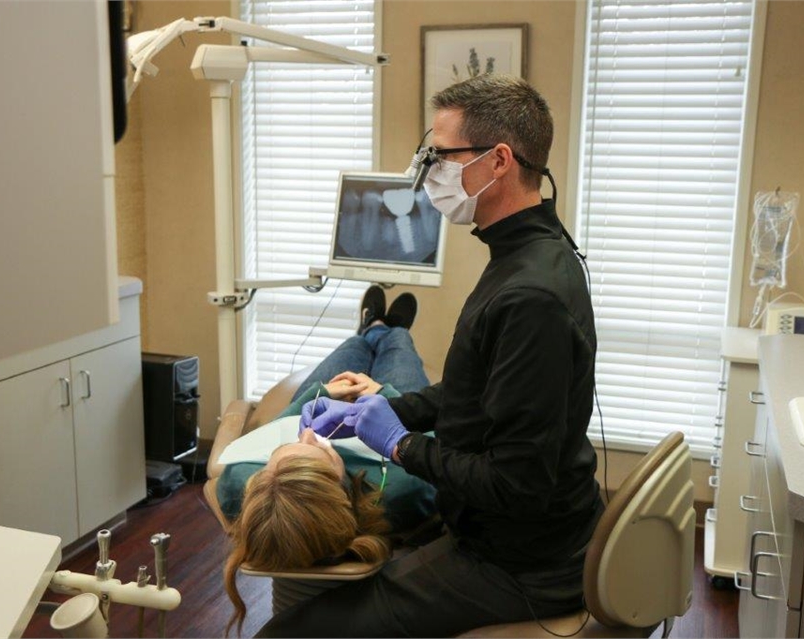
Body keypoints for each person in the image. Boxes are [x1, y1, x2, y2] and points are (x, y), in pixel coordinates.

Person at [257, 74, 603, 638]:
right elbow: (482, 392)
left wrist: (399, 443)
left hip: (520, 567)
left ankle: (383, 331)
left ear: (498, 162)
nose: (428, 174)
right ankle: (384, 332)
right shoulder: (526, 256)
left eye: (441, 156)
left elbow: (518, 486)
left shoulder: (530, 295)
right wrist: (395, 410)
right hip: (514, 535)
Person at [218, 288, 439, 635]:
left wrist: (316, 399)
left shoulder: (238, 486)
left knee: (352, 351)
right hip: (391, 419)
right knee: (399, 349)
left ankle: (369, 329)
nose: (307, 435)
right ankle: (391, 329)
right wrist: (382, 397)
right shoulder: (402, 490)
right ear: (343, 490)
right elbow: (430, 444)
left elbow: (277, 431)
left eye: (285, 447)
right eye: (320, 450)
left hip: (327, 404)